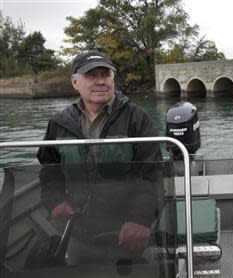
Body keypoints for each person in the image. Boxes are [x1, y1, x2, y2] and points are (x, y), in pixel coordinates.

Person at [37, 50, 163, 265]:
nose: (100, 81)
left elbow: (152, 173)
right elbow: (49, 169)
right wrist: (54, 201)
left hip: (129, 231)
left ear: (113, 79)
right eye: (91, 75)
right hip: (80, 229)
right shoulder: (59, 123)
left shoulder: (136, 118)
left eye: (106, 75)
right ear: (75, 82)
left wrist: (140, 219)